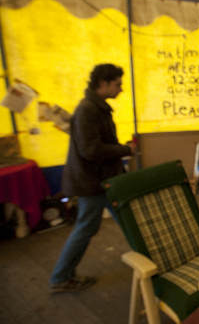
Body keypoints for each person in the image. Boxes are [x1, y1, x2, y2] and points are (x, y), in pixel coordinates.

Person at [49, 64, 134, 293]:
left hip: (104, 180)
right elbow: (91, 150)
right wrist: (124, 150)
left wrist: (120, 149)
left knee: (129, 219)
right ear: (103, 84)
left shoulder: (95, 108)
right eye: (118, 84)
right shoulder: (88, 110)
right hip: (93, 183)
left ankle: (150, 259)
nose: (122, 89)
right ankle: (60, 278)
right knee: (86, 228)